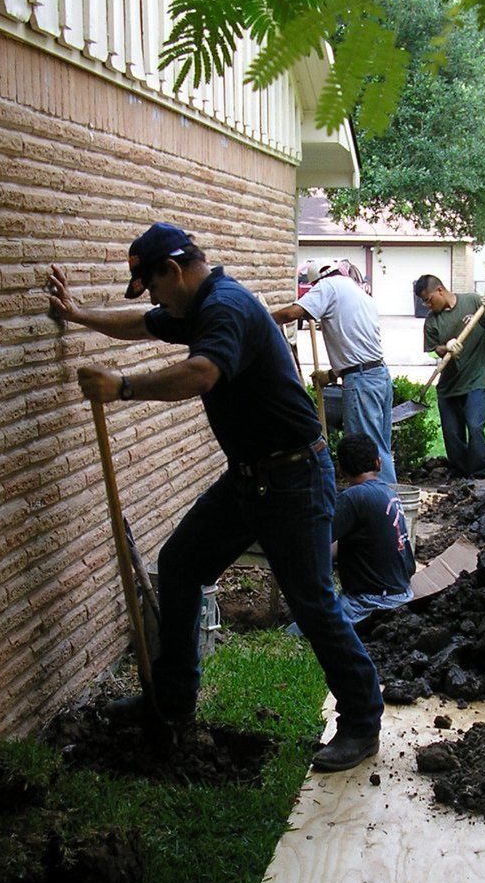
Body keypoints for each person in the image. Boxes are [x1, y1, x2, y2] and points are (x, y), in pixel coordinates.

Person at [47, 222, 384, 773]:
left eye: (155, 287)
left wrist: (123, 387)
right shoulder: (195, 306)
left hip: (293, 477)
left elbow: (202, 374)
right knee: (181, 564)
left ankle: (362, 722)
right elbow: (141, 324)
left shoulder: (224, 307)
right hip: (251, 477)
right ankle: (172, 702)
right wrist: (77, 314)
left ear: (173, 270)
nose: (154, 301)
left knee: (312, 600)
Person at [272, 262, 397, 488]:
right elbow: (358, 347)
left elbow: (292, 313)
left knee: (365, 450)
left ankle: (378, 502)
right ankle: (391, 500)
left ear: (317, 282)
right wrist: (331, 375)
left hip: (362, 380)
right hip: (379, 374)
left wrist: (259, 319)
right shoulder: (356, 291)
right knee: (379, 448)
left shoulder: (328, 286)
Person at [412, 274, 485, 480]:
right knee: (452, 434)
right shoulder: (432, 321)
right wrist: (446, 347)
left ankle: (481, 475)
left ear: (440, 290)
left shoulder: (472, 301)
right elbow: (433, 351)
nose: (427, 305)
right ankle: (460, 475)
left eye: (428, 299)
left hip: (476, 377)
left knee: (475, 426)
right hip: (449, 385)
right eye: (424, 302)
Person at [332, 433, 415, 624]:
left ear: (340, 469)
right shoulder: (389, 493)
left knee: (295, 632)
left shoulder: (353, 497)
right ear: (378, 462)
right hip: (403, 594)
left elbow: (318, 542)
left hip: (370, 602)